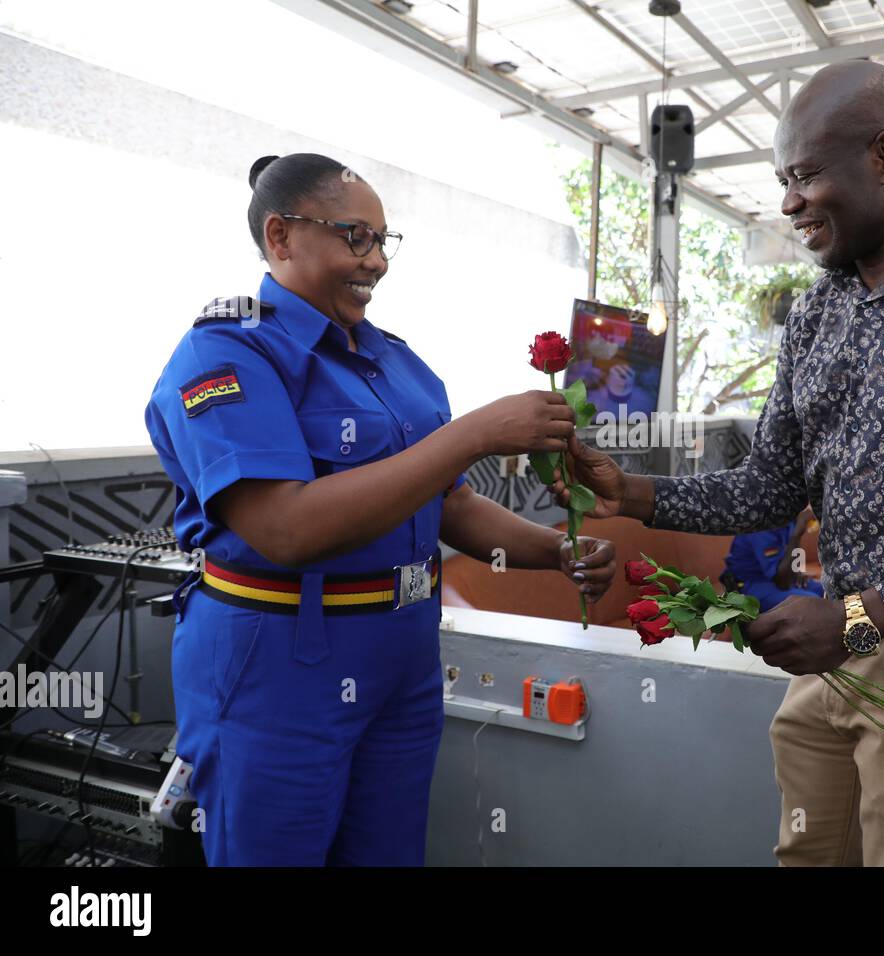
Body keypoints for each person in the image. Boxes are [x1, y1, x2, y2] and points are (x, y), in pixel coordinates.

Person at [549, 60, 884, 866]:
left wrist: (860, 616)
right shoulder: (816, 312)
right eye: (782, 180)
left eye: (804, 176)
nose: (788, 203)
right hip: (840, 643)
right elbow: (772, 482)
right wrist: (632, 492)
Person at [144, 153, 616, 866]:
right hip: (280, 658)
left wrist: (553, 552)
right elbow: (286, 528)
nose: (377, 262)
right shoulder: (226, 355)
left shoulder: (394, 361)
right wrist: (475, 433)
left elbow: (449, 501)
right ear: (281, 237)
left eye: (383, 241)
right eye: (354, 237)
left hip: (401, 654)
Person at [723, 507, 824, 612]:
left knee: (826, 591)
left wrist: (796, 572)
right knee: (813, 603)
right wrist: (796, 535)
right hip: (753, 584)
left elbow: (789, 553)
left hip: (779, 576)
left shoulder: (786, 517)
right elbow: (782, 582)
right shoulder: (760, 525)